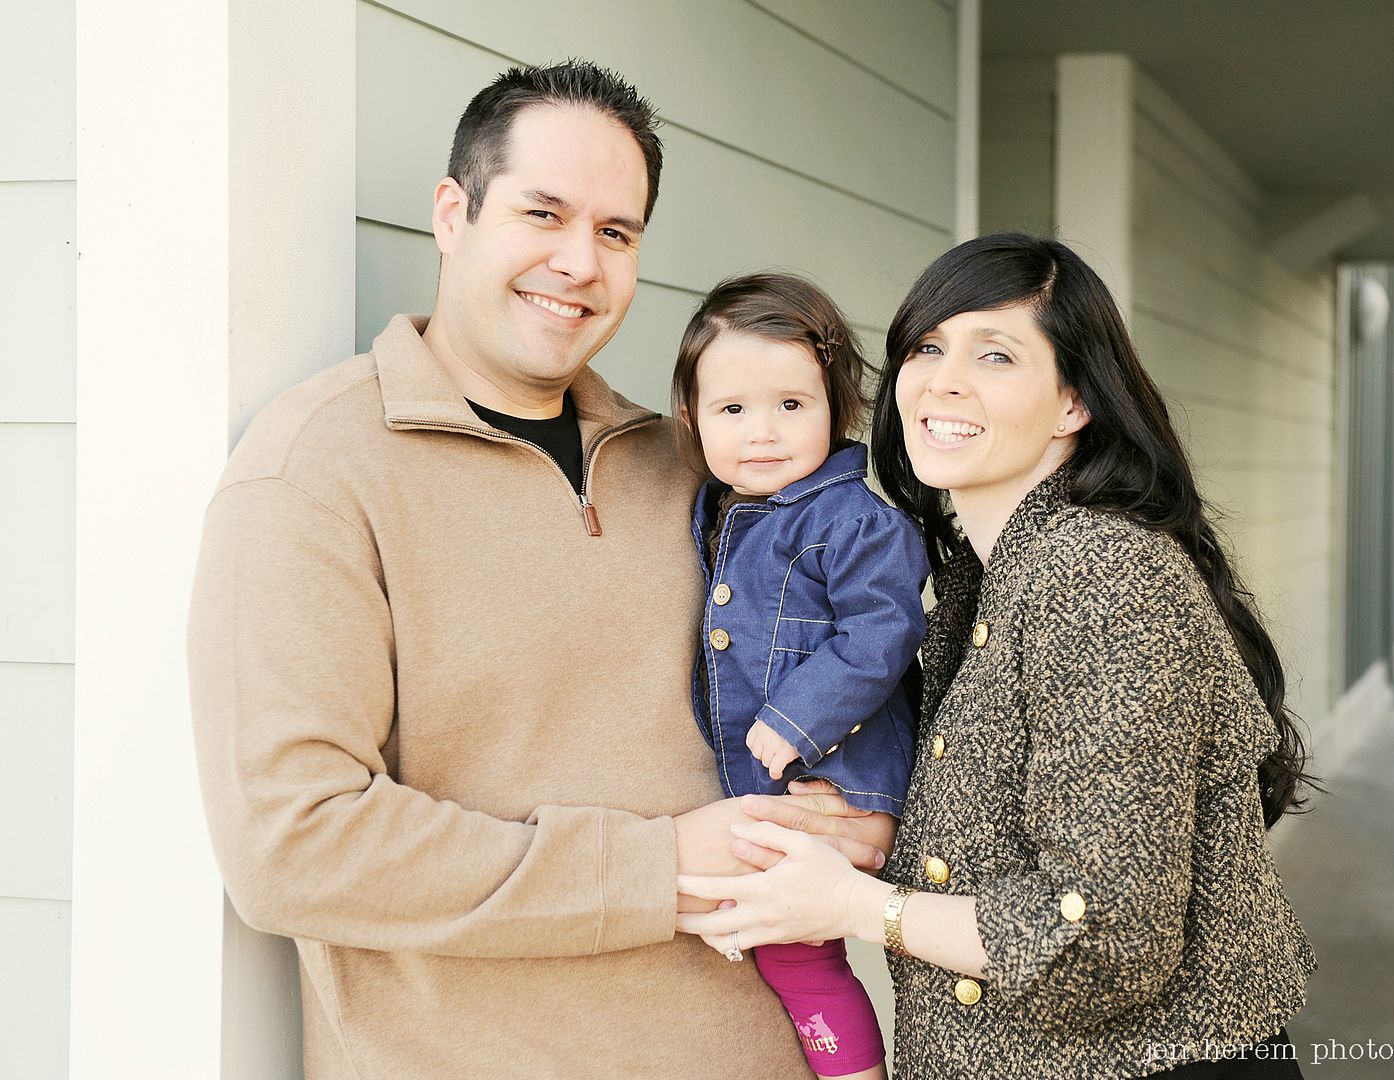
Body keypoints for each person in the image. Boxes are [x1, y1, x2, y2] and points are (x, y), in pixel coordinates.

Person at [187, 61, 891, 1079]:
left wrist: (859, 811)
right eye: (543, 214)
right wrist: (656, 868)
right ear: (452, 213)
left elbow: (848, 656)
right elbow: (293, 845)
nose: (578, 263)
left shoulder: (694, 469)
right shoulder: (317, 469)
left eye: (616, 233)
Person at [677, 232, 1319, 1079]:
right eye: (929, 347)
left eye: (996, 355)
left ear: (1073, 403)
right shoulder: (977, 580)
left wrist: (858, 906)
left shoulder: (1100, 574)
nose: (944, 380)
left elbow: (1104, 937)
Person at [672, 273, 931, 1079]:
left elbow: (884, 630)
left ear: (836, 406)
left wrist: (797, 718)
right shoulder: (719, 508)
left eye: (791, 404)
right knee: (783, 944)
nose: (762, 433)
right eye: (732, 410)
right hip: (767, 778)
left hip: (835, 775)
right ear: (691, 417)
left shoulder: (852, 520)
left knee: (802, 956)